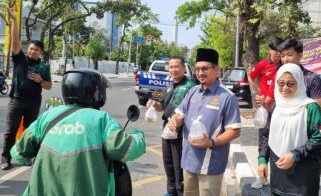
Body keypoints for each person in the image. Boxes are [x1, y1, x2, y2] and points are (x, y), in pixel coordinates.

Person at [10, 68, 146, 196]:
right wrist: (138, 135)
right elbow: (124, 148)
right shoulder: (101, 119)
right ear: (95, 92)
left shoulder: (47, 117)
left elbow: (19, 153)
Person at [169, 48, 241, 196]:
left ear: (216, 70)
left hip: (210, 164)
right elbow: (179, 114)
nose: (200, 73)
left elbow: (234, 131)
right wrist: (174, 121)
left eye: (205, 69)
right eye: (197, 69)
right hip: (189, 160)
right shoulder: (193, 91)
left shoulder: (227, 97)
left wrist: (211, 143)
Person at [257, 63, 321, 196]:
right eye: (281, 83)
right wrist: (262, 160)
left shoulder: (310, 107)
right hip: (278, 174)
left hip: (303, 177)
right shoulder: (275, 108)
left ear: (299, 83)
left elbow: (319, 138)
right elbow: (266, 136)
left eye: (290, 84)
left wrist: (295, 154)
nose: (284, 88)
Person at [1, 7, 52, 170]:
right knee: (10, 131)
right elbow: (15, 41)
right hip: (17, 100)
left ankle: (26, 157)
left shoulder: (44, 67)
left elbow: (49, 86)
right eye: (30, 48)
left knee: (30, 132)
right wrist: (15, 20)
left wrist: (41, 81)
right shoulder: (20, 60)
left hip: (33, 103)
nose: (32, 51)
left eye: (36, 49)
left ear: (40, 52)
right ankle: (5, 158)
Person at [147, 57, 196, 196]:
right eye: (171, 67)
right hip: (167, 127)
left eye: (176, 67)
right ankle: (171, 191)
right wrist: (153, 104)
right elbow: (162, 106)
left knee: (178, 163)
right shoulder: (170, 85)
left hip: (181, 129)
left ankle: (181, 192)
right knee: (168, 161)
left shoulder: (191, 86)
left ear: (183, 68)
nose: (173, 70)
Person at [248, 37, 283, 188]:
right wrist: (258, 92)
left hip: (280, 109)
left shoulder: (284, 65)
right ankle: (262, 177)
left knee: (279, 143)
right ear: (270, 49)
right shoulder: (263, 64)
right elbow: (251, 76)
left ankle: (279, 177)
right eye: (276, 52)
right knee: (263, 142)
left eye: (281, 52)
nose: (278, 55)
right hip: (265, 110)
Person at [277, 38, 321, 115]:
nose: (285, 60)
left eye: (289, 55)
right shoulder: (278, 76)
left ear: (300, 55)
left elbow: (320, 111)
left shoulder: (311, 78)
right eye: (282, 56)